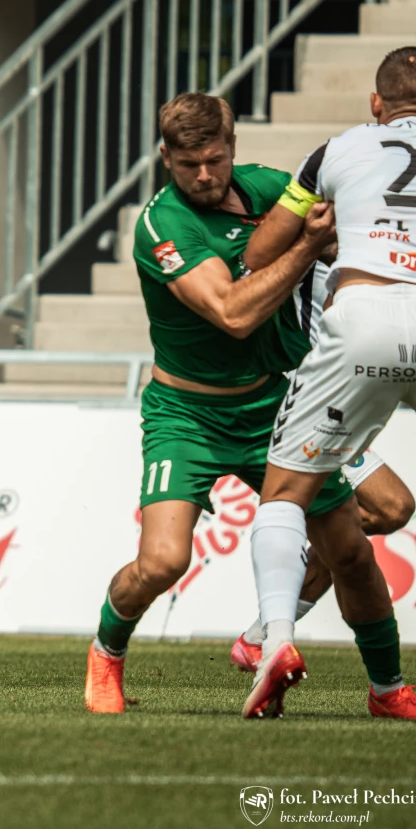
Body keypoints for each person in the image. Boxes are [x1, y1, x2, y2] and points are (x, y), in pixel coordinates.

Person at [84, 92, 362, 718]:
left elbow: (340, 232)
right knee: (163, 562)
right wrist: (306, 248)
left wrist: (335, 243)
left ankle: (319, 658)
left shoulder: (270, 188)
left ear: (233, 148)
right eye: (189, 165)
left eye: (215, 160)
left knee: (371, 519)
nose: (205, 175)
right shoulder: (162, 225)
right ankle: (107, 650)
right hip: (187, 415)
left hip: (273, 404)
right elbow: (233, 315)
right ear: (166, 159)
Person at [239, 46, 416, 721]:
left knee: (286, 494)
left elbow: (258, 254)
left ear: (375, 104)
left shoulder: (336, 150)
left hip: (361, 318)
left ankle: (273, 640)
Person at [229, 258, 416, 672]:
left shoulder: (382, 250)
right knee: (390, 506)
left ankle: (259, 636)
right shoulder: (305, 247)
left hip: (344, 406)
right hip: (309, 402)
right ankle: (262, 633)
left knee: (370, 519)